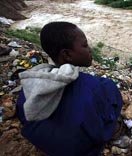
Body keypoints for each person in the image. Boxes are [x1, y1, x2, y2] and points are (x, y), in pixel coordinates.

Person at [16, 21, 123, 156]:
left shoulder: (30, 86)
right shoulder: (94, 87)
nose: (90, 49)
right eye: (85, 45)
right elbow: (98, 133)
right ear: (67, 54)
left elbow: (25, 118)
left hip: (49, 147)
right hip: (79, 150)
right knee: (109, 90)